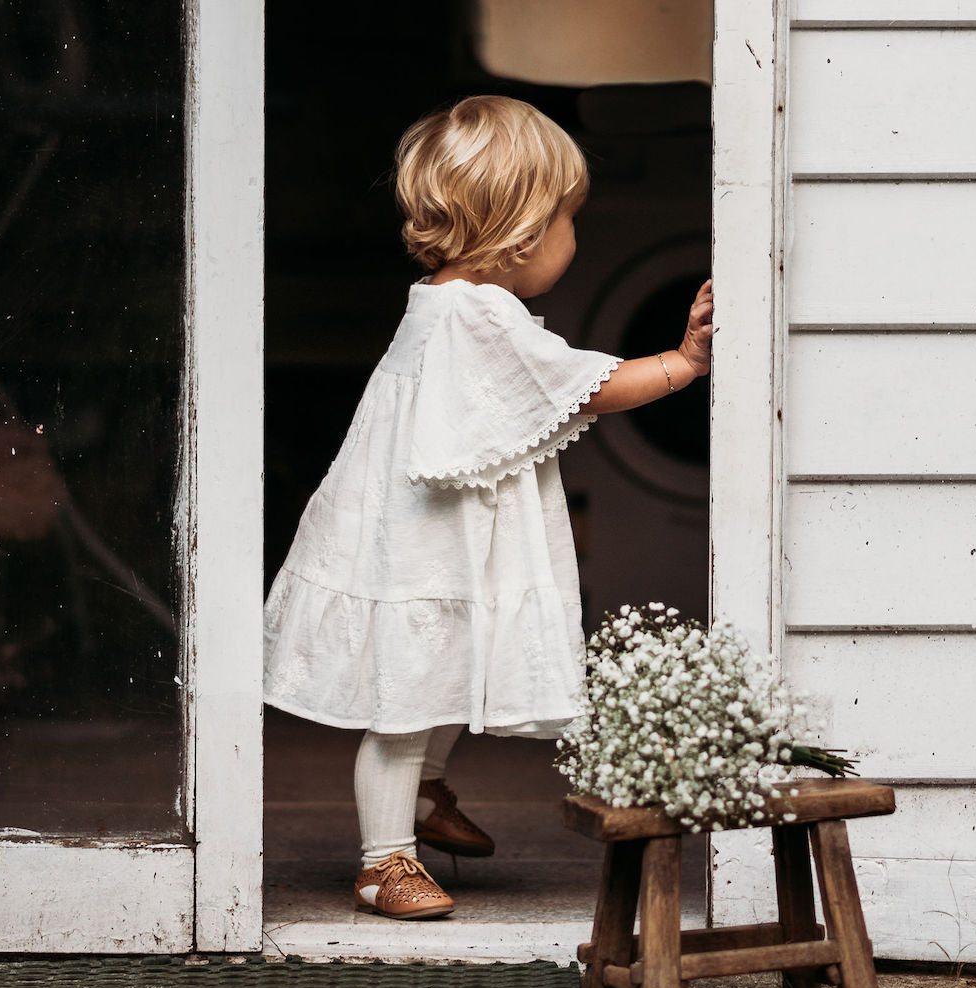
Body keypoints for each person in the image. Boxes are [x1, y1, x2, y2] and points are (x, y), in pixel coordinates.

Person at [263, 95, 713, 920]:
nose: (575, 240)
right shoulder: (479, 312)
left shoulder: (440, 301)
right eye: (569, 220)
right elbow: (587, 384)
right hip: (425, 542)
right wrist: (682, 363)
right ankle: (383, 861)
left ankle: (427, 798)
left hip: (425, 531)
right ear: (524, 234)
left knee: (442, 668)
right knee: (404, 702)